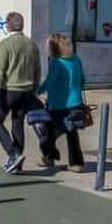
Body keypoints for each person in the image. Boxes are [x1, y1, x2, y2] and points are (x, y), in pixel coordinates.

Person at [0, 11, 41, 174]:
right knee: (17, 124)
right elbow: (37, 70)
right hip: (26, 91)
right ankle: (17, 165)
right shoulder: (32, 44)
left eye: (6, 22)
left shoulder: (5, 44)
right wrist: (34, 89)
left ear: (9, 24)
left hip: (8, 90)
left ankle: (13, 153)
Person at [36, 33, 86, 172]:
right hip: (75, 102)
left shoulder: (56, 62)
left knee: (47, 132)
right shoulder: (76, 59)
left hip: (59, 104)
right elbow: (82, 80)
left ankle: (48, 157)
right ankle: (76, 163)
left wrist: (38, 91)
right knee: (72, 133)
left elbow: (50, 83)